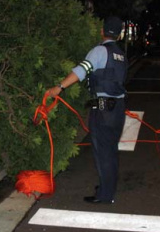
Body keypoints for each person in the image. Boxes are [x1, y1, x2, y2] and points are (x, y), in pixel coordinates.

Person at [46, 16, 127, 204]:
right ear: (119, 35)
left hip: (103, 109)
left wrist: (59, 87)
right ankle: (108, 187)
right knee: (111, 150)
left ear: (102, 31)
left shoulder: (99, 51)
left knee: (103, 152)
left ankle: (106, 195)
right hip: (118, 108)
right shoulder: (121, 54)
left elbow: (81, 71)